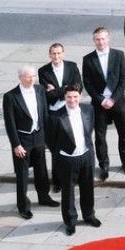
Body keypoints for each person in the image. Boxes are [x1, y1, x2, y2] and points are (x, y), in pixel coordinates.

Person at [3, 65, 56, 220]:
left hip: (38, 135)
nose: (31, 79)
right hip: (23, 139)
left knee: (41, 169)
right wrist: (16, 145)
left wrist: (46, 137)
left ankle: (44, 196)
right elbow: (10, 123)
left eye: (33, 76)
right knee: (23, 174)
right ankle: (23, 205)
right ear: (20, 78)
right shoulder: (11, 96)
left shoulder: (39, 90)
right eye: (28, 76)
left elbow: (44, 113)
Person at [50, 85, 99, 235]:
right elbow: (51, 141)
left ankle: (89, 215)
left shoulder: (88, 110)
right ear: (64, 97)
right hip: (67, 159)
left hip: (86, 155)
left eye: (75, 96)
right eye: (69, 97)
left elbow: (89, 131)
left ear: (80, 96)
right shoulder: (56, 116)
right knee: (68, 192)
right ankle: (70, 221)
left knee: (87, 187)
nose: (72, 100)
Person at [82, 26, 125, 180]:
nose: (100, 42)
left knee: (123, 133)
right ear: (94, 40)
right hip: (99, 103)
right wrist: (102, 100)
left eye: (103, 39)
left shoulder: (119, 55)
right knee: (100, 136)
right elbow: (88, 84)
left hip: (117, 101)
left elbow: (123, 79)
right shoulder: (88, 59)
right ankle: (104, 164)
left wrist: (113, 99)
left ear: (108, 39)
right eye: (97, 39)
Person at [39, 43, 82, 192]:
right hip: (54, 113)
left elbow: (78, 87)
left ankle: (74, 177)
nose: (56, 56)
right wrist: (65, 89)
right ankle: (57, 180)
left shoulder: (72, 66)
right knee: (56, 149)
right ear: (50, 55)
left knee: (74, 144)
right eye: (53, 54)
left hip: (70, 110)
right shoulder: (43, 71)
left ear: (63, 53)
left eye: (58, 53)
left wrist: (57, 90)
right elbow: (47, 95)